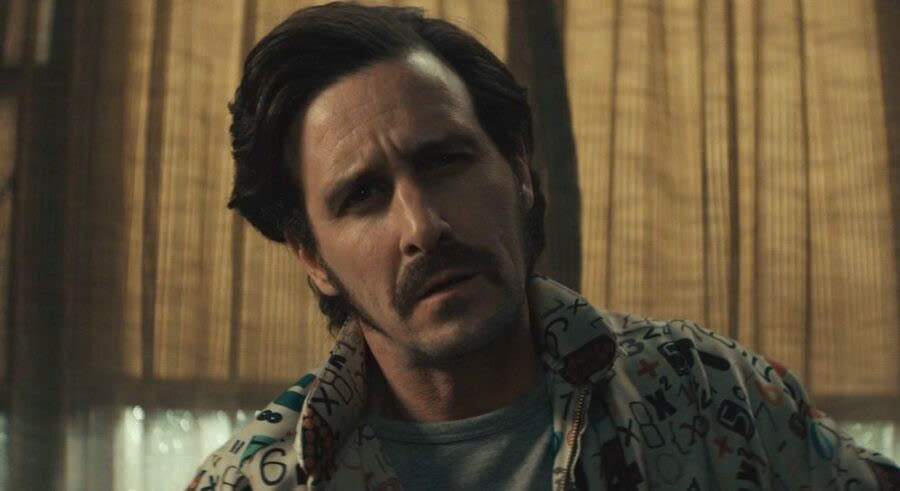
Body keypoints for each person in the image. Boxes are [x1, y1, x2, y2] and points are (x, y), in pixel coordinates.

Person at [188, 2, 899, 490]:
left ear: (520, 168)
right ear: (312, 258)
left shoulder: (708, 390)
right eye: (363, 196)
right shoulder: (248, 481)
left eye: (445, 161)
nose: (423, 226)